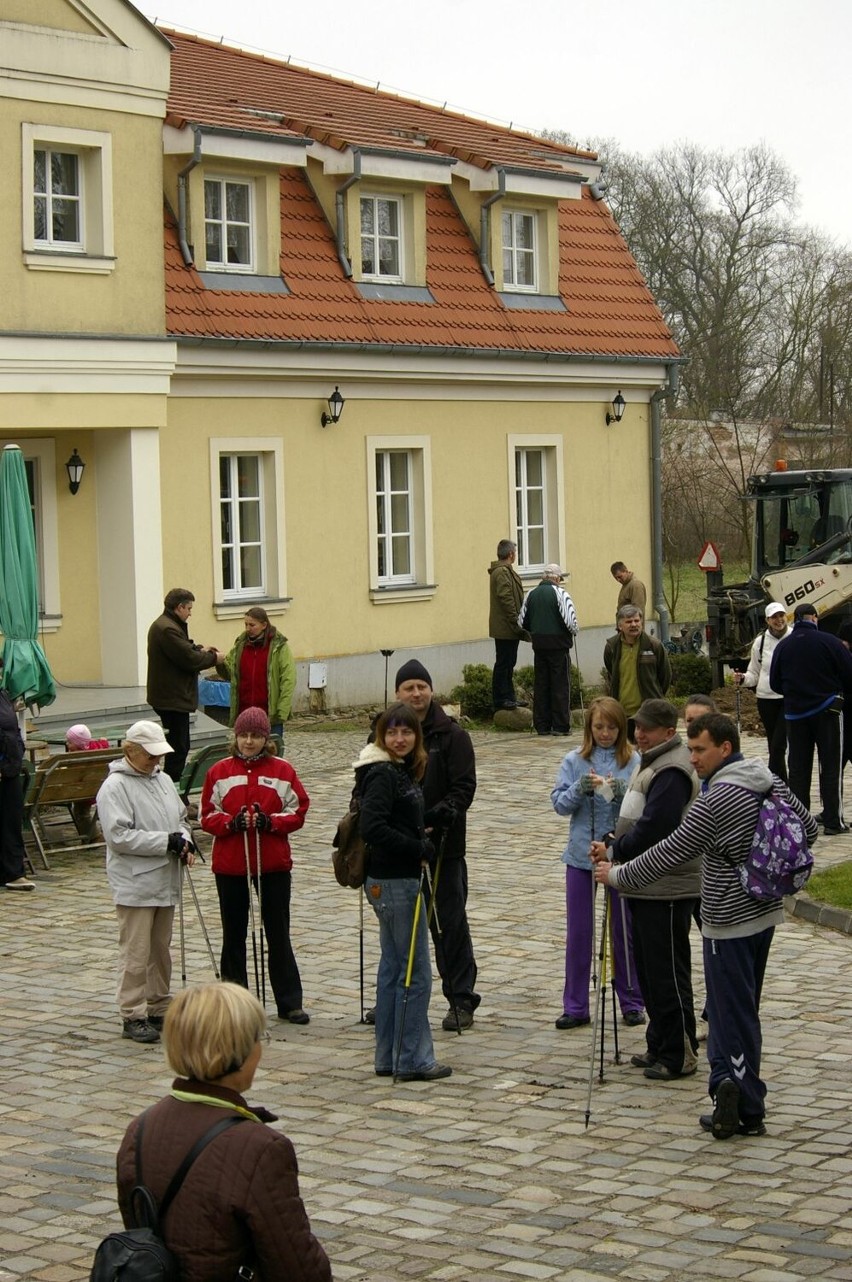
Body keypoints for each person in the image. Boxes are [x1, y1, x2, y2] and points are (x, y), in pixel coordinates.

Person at [595, 713, 818, 1138]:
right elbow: (807, 828)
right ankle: (742, 1093)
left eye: (700, 750)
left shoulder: (716, 800)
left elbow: (671, 852)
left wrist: (616, 873)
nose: (693, 758)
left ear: (725, 749)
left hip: (728, 920)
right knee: (743, 1009)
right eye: (691, 749)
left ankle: (735, 1099)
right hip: (765, 911)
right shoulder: (768, 778)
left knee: (728, 1013)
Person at [116, 982, 332, 1282]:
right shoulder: (261, 1148)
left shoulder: (141, 1128)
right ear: (240, 1051)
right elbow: (298, 1268)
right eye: (257, 1039)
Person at [590, 699, 700, 1080]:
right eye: (637, 727)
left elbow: (657, 827)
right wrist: (610, 839)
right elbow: (635, 819)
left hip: (668, 885)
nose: (639, 734)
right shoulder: (654, 761)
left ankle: (679, 1052)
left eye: (647, 729)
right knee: (651, 971)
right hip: (646, 882)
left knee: (667, 971)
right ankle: (659, 1043)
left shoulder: (672, 769)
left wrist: (617, 849)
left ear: (669, 732)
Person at [356, 702, 451, 1081]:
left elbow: (396, 818)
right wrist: (418, 848)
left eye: (407, 732)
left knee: (394, 968)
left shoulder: (397, 770)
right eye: (392, 732)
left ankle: (388, 1055)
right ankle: (412, 1058)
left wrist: (428, 821)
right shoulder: (382, 773)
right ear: (382, 736)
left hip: (390, 881)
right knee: (415, 973)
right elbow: (373, 828)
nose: (400, 739)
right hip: (395, 882)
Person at [200, 706, 310, 1024]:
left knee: (278, 932)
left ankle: (289, 1001)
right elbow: (206, 815)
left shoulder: (282, 770)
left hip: (272, 863)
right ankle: (234, 1002)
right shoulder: (218, 771)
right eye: (244, 735)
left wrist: (271, 821)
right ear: (235, 736)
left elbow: (299, 809)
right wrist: (230, 823)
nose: (249, 742)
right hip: (231, 864)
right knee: (233, 934)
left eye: (256, 736)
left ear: (266, 738)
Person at [393, 659, 479, 1030]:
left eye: (421, 686)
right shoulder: (387, 733)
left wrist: (436, 819)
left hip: (444, 847)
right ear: (398, 693)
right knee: (398, 929)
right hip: (397, 848)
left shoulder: (452, 735)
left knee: (448, 925)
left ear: (430, 689)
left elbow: (464, 788)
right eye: (409, 687)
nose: (416, 693)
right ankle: (396, 997)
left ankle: (461, 999)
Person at [96, 720, 194, 1043]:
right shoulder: (114, 787)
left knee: (160, 950)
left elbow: (180, 819)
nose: (156, 762)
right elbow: (119, 836)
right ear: (131, 752)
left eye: (158, 756)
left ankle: (159, 1004)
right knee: (136, 952)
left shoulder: (163, 780)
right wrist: (165, 842)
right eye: (150, 756)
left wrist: (184, 840)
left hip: (165, 879)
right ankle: (132, 1012)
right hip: (135, 883)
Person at [550, 697, 642, 1030]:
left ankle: (632, 999)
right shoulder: (574, 760)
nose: (605, 733)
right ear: (589, 727)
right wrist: (579, 789)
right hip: (580, 857)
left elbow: (643, 809)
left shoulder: (633, 761)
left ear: (622, 728)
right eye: (599, 727)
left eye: (612, 727)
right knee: (579, 933)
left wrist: (620, 792)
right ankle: (575, 1004)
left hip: (620, 857)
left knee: (624, 931)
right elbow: (559, 804)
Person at [770, 600, 852, 834]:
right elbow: (849, 672)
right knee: (831, 766)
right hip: (827, 711)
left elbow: (775, 682)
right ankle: (833, 821)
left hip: (795, 714)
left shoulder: (783, 647)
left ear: (795, 619)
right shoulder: (830, 642)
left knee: (797, 768)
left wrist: (795, 694)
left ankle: (800, 821)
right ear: (815, 618)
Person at [146, 588, 224, 786]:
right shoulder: (167, 628)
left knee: (178, 745)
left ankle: (172, 788)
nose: (190, 612)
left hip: (171, 695)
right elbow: (189, 659)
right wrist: (214, 658)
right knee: (178, 747)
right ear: (179, 607)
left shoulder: (168, 624)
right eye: (189, 608)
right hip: (172, 697)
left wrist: (200, 649)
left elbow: (185, 648)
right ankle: (172, 790)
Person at [518, 564, 579, 736]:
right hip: (559, 645)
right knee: (560, 685)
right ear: (557, 578)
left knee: (542, 684)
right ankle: (560, 725)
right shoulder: (561, 593)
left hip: (539, 644)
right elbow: (571, 621)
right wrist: (573, 632)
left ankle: (542, 725)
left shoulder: (531, 594)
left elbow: (522, 621)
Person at [733, 602, 791, 780]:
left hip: (788, 698)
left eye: (781, 615)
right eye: (774, 617)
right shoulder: (761, 642)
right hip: (766, 699)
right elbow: (754, 673)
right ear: (767, 620)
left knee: (778, 746)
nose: (779, 620)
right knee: (772, 743)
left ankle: (773, 784)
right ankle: (781, 786)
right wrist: (743, 679)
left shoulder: (794, 636)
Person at [218, 606, 296, 738]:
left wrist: (282, 710)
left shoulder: (279, 647)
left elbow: (288, 679)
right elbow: (229, 674)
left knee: (271, 753)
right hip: (244, 712)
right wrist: (218, 662)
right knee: (245, 752)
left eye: (252, 625)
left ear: (264, 625)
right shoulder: (240, 645)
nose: (248, 628)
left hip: (269, 714)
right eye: (246, 624)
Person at [603, 605, 672, 735]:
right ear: (620, 626)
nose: (634, 624)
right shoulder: (612, 647)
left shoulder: (654, 646)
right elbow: (611, 673)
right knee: (626, 752)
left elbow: (665, 677)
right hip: (622, 713)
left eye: (637, 620)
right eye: (629, 622)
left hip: (649, 713)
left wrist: (655, 696)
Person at [488, 539, 528, 711]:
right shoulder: (502, 572)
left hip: (507, 626)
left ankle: (509, 696)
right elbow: (506, 598)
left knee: (508, 662)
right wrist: (515, 620)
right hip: (506, 627)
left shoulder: (503, 571)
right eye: (515, 553)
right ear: (511, 554)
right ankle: (502, 698)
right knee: (504, 663)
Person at [0, 684, 32, 891]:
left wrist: (18, 752)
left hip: (9, 770)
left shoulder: (3, 696)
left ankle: (14, 873)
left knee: (11, 820)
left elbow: (13, 730)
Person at [66, 723, 110, 838]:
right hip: (97, 787)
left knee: (81, 813)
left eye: (70, 743)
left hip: (82, 790)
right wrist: (103, 741)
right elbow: (104, 743)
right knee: (84, 812)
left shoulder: (76, 758)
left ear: (79, 744)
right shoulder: (97, 747)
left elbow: (71, 775)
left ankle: (93, 836)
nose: (67, 744)